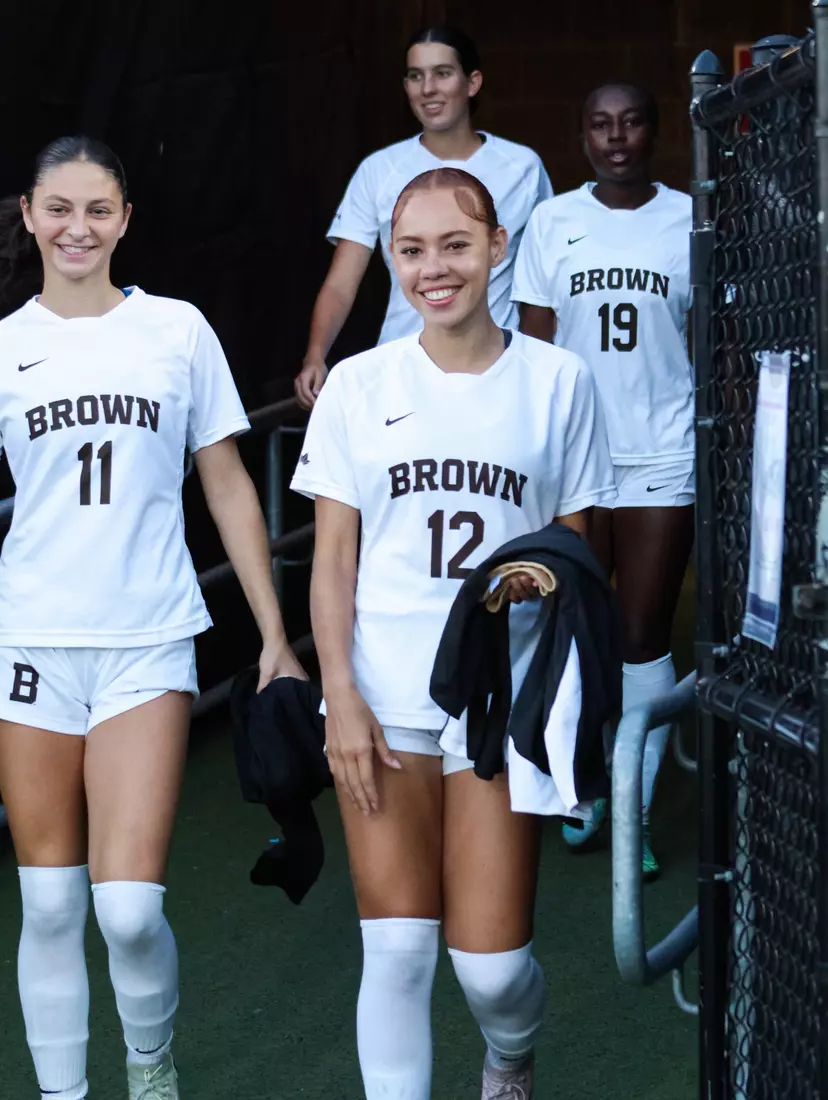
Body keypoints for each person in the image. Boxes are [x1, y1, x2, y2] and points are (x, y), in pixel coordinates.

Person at [291, 167, 615, 1100]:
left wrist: (542, 575)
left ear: (498, 247)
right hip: (383, 693)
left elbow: (578, 546)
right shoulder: (359, 384)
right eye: (412, 250)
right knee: (396, 954)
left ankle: (510, 1055)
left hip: (500, 699)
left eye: (456, 245)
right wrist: (338, 695)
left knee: (491, 971)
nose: (433, 268)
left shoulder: (559, 381)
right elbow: (334, 559)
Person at [0, 135, 305, 1100]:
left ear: (126, 219)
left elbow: (227, 483)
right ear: (28, 215)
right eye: (59, 208)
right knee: (51, 905)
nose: (77, 227)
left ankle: (150, 1065)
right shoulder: (5, 346)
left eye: (98, 209)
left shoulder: (176, 329)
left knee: (128, 911)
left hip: (147, 639)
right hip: (31, 641)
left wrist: (274, 634)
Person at [512, 83, 694, 880]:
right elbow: (533, 352)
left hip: (663, 451)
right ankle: (581, 786)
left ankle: (634, 809)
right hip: (577, 456)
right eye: (600, 125)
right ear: (582, 136)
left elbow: (711, 344)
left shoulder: (690, 217)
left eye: (632, 123)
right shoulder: (553, 222)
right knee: (576, 628)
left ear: (654, 132)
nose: (617, 138)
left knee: (643, 635)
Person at [293, 24, 552, 410]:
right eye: (416, 76)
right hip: (401, 373)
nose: (427, 88)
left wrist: (538, 365)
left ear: (472, 82)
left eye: (442, 73)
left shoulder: (523, 167)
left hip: (495, 372)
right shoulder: (379, 170)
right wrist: (315, 354)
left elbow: (541, 284)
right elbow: (342, 283)